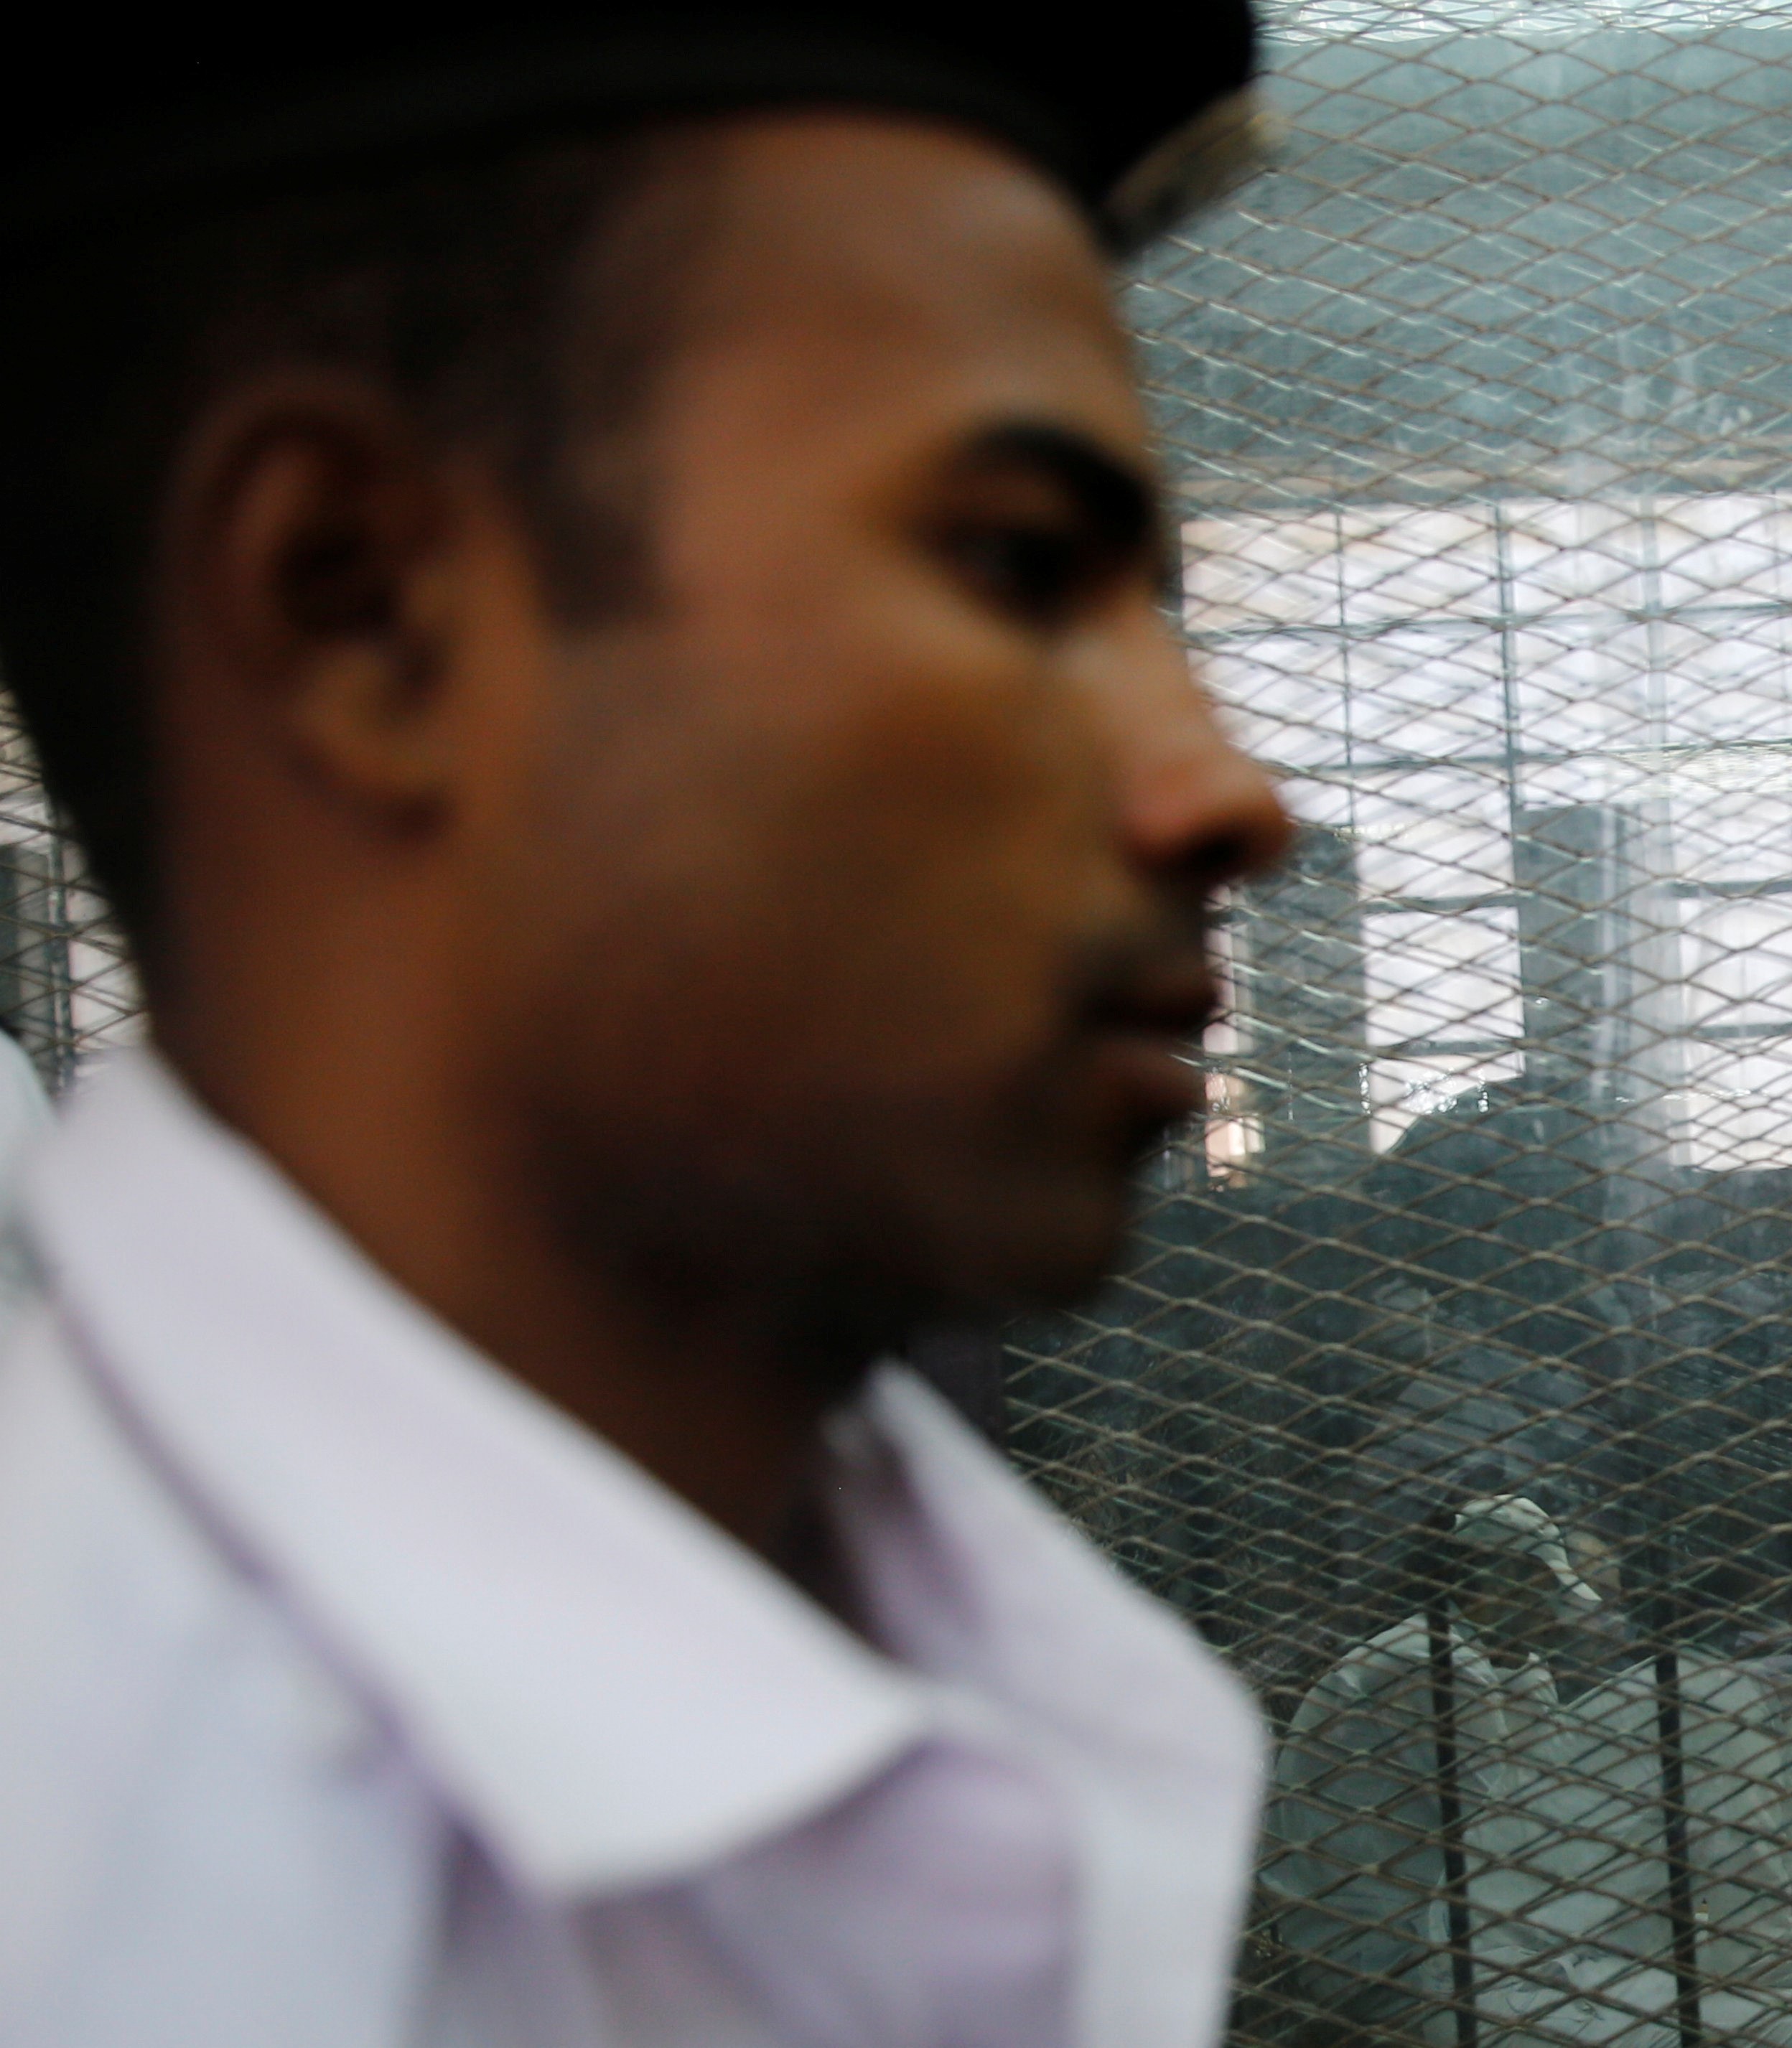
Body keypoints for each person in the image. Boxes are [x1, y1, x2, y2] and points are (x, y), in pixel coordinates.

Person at [0, 10, 1297, 2041]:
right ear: (357, 605)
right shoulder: (100, 1911)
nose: (1227, 791)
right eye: (1015, 565)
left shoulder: (1009, 1719)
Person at [1261, 1495, 1603, 2047]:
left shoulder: (1488, 1662)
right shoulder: (1431, 1662)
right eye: (1541, 1594)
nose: (1552, 1618)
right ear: (1492, 1584)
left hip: (1423, 1939)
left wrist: (1527, 1680)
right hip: (1373, 1956)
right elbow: (1516, 1844)